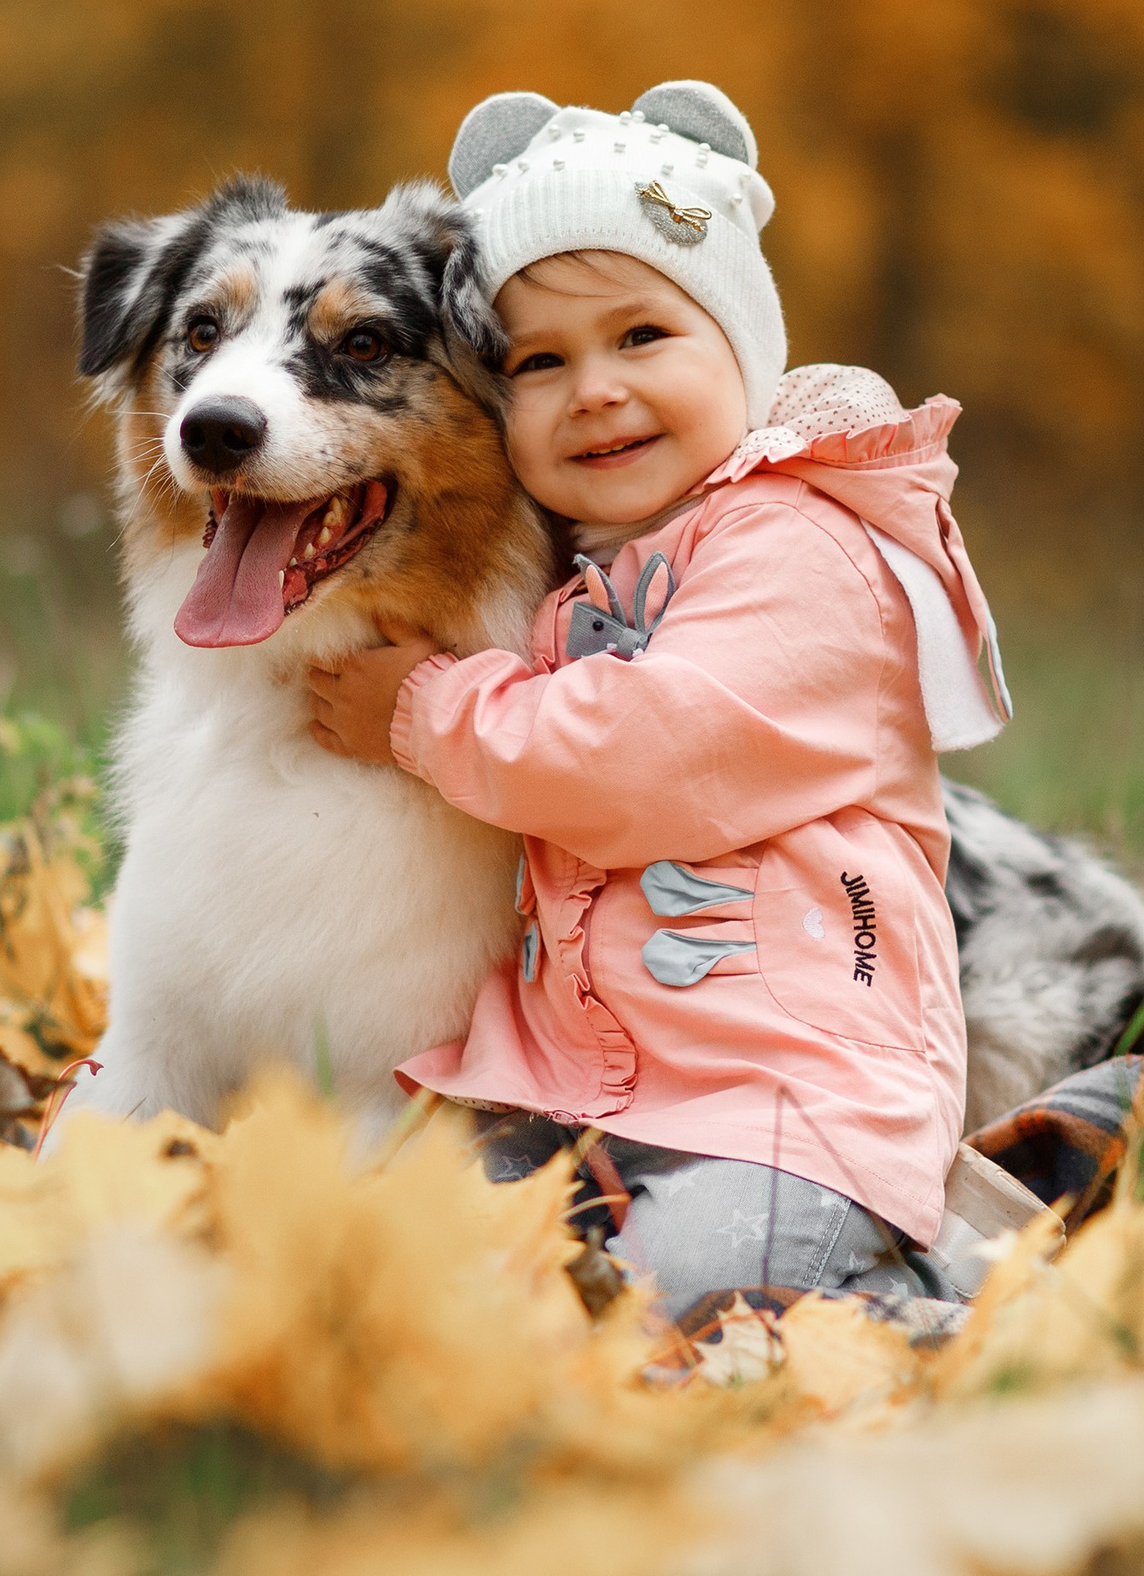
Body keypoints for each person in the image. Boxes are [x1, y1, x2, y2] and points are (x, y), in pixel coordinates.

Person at [305, 81, 1012, 1324]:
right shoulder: (579, 576)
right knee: (394, 1262)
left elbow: (650, 756)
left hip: (789, 1102)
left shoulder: (803, 546)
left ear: (741, 347)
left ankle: (940, 1301)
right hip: (578, 1103)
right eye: (538, 361)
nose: (593, 388)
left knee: (690, 1297)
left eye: (641, 338)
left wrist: (422, 708)